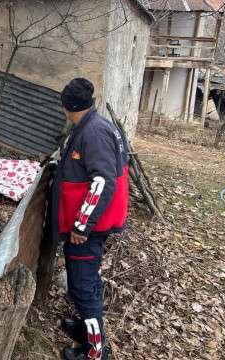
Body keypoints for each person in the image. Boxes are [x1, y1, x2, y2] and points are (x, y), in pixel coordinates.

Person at [50, 78, 129, 360]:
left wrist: (82, 225)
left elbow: (103, 182)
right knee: (82, 279)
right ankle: (86, 329)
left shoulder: (93, 133)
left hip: (89, 227)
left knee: (83, 286)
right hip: (89, 223)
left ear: (69, 107)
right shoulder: (91, 125)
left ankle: (96, 351)